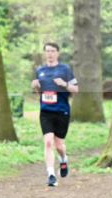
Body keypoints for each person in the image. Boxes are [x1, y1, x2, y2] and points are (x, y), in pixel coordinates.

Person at [31, 42, 79, 187]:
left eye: (52, 51)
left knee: (59, 145)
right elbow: (39, 92)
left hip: (62, 111)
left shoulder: (65, 69)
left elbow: (76, 90)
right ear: (44, 53)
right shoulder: (40, 70)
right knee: (48, 142)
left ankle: (63, 159)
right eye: (47, 51)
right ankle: (51, 175)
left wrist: (64, 84)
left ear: (57, 53)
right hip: (46, 111)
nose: (50, 54)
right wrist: (36, 87)